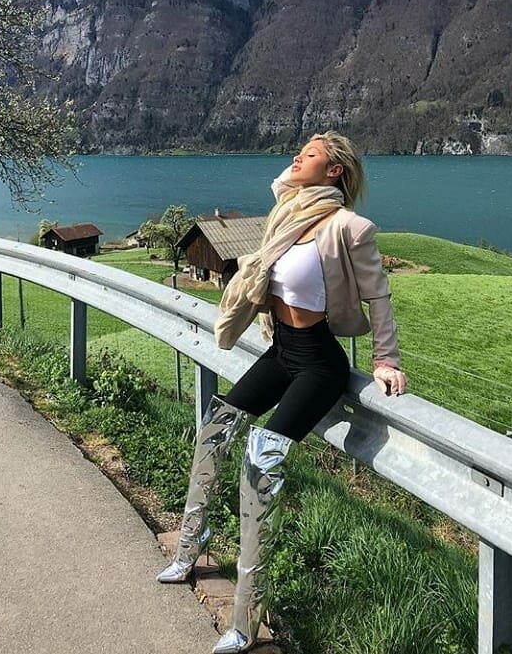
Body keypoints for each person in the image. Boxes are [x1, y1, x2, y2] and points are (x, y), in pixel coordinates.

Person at [157, 131, 406, 654]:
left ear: (335, 170)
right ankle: (190, 547)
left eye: (310, 153)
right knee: (215, 428)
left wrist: (385, 360)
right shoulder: (287, 213)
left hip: (318, 364)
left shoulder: (348, 227)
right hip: (281, 352)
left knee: (260, 462)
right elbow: (283, 184)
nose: (297, 156)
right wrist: (299, 170)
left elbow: (378, 296)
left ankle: (245, 619)